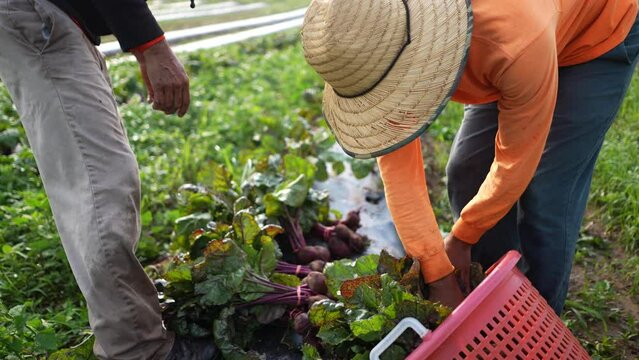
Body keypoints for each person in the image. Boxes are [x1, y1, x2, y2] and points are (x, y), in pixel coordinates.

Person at [301, 0, 638, 313]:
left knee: (547, 192)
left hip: (595, 35)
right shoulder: (381, 48)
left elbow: (517, 159)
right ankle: (497, 294)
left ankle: (537, 316)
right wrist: (438, 273)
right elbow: (399, 172)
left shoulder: (511, 38)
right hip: (508, 52)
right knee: (466, 171)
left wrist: (462, 239)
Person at [0, 0, 217, 358]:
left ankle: (133, 330)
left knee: (96, 179)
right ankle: (137, 348)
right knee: (101, 186)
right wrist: (150, 44)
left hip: (51, 16)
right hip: (37, 15)